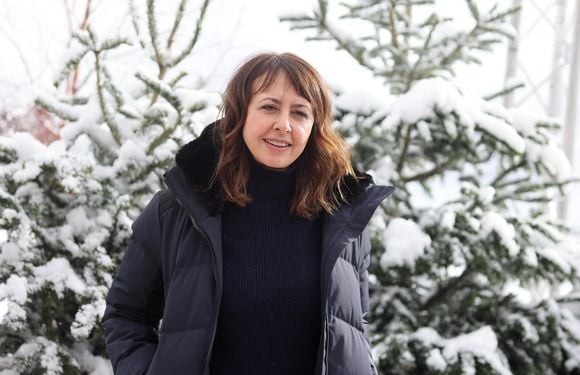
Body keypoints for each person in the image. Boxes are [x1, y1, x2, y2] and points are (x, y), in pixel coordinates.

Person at [102, 52, 394, 375]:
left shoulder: (343, 215)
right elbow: (125, 313)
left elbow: (353, 326)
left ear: (314, 126)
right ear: (239, 114)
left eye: (300, 113)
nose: (284, 125)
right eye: (269, 106)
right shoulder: (176, 211)